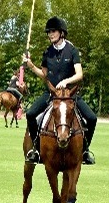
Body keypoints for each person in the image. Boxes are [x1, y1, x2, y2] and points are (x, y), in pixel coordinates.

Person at [22, 16, 97, 165]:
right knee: (30, 114)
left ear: (61, 32)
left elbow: (79, 74)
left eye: (53, 31)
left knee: (92, 118)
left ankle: (85, 151)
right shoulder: (47, 52)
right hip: (51, 94)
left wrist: (66, 82)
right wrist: (30, 66)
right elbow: (44, 75)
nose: (50, 34)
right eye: (48, 32)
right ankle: (36, 151)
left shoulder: (72, 50)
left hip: (70, 95)